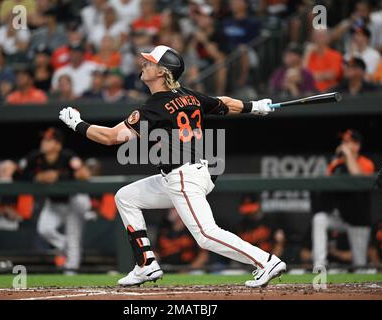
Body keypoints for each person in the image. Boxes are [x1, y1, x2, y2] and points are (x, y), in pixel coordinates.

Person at [59, 44, 286, 288]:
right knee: (125, 197)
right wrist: (254, 107)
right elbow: (223, 103)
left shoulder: (155, 106)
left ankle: (266, 261)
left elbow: (112, 137)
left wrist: (77, 124)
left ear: (162, 72)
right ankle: (146, 264)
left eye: (149, 63)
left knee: (206, 235)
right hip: (191, 172)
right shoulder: (189, 96)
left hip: (184, 175)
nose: (143, 65)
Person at [17, 127, 91, 272]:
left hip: (74, 201)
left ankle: (71, 269)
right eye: (44, 139)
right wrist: (36, 177)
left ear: (58, 144)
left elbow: (85, 174)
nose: (43, 143)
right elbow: (17, 174)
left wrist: (58, 176)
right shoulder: (35, 157)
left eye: (48, 140)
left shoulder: (67, 156)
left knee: (73, 236)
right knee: (44, 229)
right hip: (54, 203)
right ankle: (65, 246)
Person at [311, 129, 375, 269]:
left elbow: (358, 178)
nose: (343, 144)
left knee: (360, 264)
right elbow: (326, 189)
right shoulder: (335, 165)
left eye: (347, 142)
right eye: (343, 142)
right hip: (340, 216)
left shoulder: (366, 163)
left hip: (359, 219)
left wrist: (347, 154)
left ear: (357, 145)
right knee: (319, 219)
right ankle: (320, 265)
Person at [0, 160, 34, 230]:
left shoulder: (23, 190)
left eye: (7, 171)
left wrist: (7, 210)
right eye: (2, 171)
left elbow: (24, 220)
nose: (3, 174)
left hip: (18, 231)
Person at [236, 194, 285, 258]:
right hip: (247, 261)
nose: (250, 213)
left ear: (258, 205)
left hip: (269, 258)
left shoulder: (271, 222)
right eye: (247, 210)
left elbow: (279, 245)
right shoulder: (241, 225)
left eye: (251, 209)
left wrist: (271, 261)